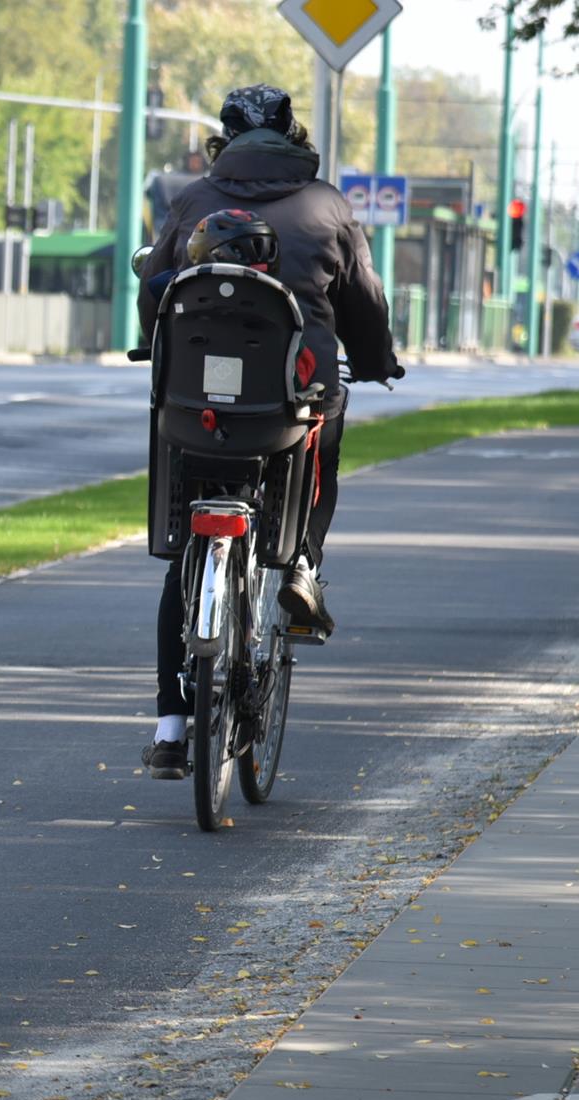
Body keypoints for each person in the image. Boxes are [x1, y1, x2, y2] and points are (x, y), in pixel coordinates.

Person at [138, 84, 400, 779]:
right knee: (326, 422)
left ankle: (171, 725)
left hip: (197, 408)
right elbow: (364, 302)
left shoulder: (193, 199)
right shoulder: (327, 206)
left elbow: (154, 288)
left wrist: (155, 351)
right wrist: (376, 361)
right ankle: (305, 566)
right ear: (294, 136)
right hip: (290, 401)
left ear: (224, 140)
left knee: (184, 557)